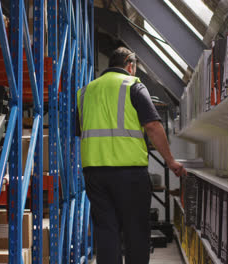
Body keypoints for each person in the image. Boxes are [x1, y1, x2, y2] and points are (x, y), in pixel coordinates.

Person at [76, 47, 187, 264]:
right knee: (135, 230)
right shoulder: (133, 86)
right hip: (129, 173)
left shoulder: (85, 91)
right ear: (130, 65)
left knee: (106, 231)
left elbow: (80, 131)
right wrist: (170, 160)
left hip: (94, 174)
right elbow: (153, 126)